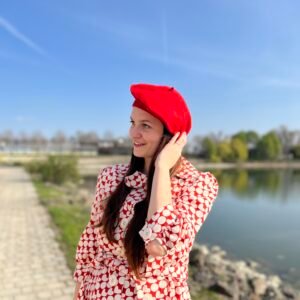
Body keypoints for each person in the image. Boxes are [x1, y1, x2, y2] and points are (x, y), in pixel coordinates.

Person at [73, 83, 219, 300]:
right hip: (100, 291)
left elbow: (158, 245)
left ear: (172, 136)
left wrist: (161, 169)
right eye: (132, 122)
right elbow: (92, 240)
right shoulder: (111, 177)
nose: (134, 133)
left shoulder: (198, 185)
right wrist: (79, 288)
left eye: (146, 126)